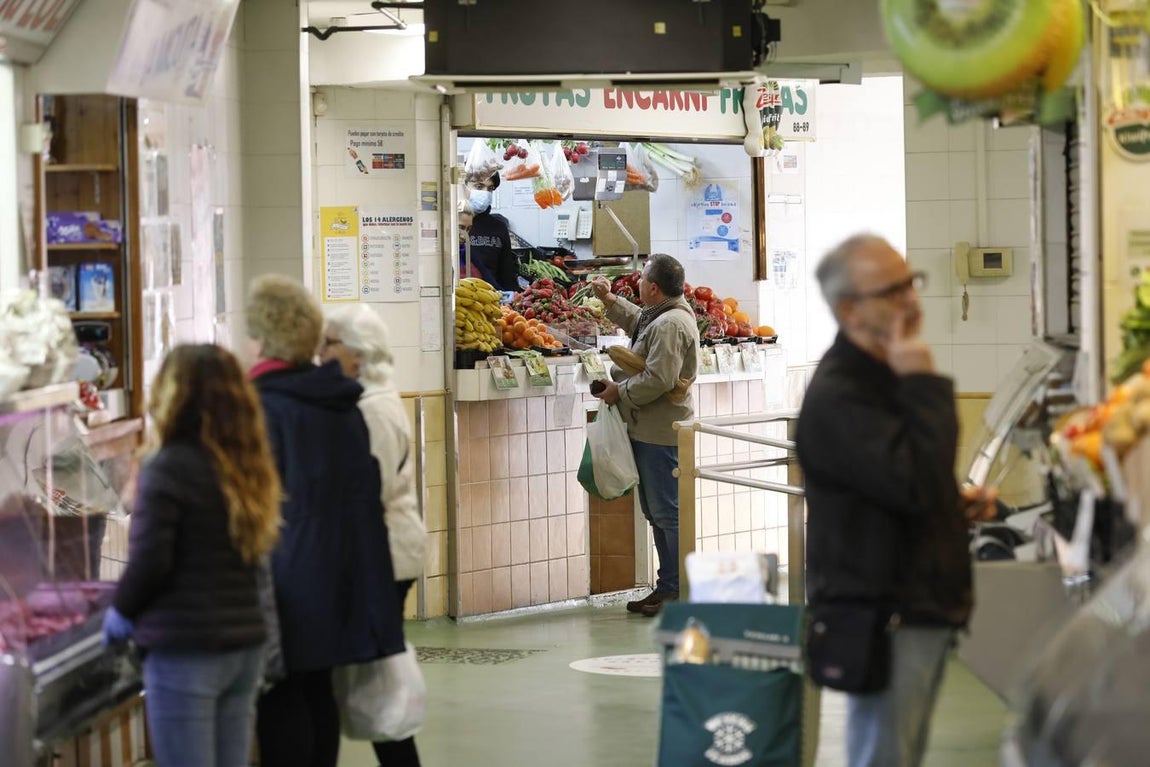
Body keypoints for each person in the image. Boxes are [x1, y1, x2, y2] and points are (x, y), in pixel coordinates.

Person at [795, 234, 996, 767]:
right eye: (892, 290)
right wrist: (925, 380)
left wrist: (953, 503)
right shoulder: (844, 392)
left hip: (911, 602)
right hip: (885, 612)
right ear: (849, 310)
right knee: (885, 756)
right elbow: (912, 484)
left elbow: (899, 482)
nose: (911, 300)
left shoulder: (877, 377)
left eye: (911, 282)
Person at [245, 275, 406, 767]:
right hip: (342, 571)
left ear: (261, 335)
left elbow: (254, 502)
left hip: (286, 576)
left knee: (281, 698)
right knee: (318, 692)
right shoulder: (340, 401)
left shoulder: (261, 405)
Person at [102, 344, 282, 767]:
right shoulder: (246, 464)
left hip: (186, 648)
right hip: (244, 647)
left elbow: (151, 560)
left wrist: (121, 612)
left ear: (171, 395)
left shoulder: (166, 465)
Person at [321, 304, 428, 767]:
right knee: (373, 679)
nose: (320, 352)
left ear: (356, 355)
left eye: (329, 343)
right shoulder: (363, 400)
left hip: (386, 556)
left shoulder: (374, 409)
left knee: (381, 683)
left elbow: (370, 488)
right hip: (375, 552)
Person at [590, 254, 699, 617]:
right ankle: (667, 586)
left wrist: (619, 392)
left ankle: (679, 589)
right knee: (656, 512)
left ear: (653, 287)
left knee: (667, 513)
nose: (637, 283)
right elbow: (640, 323)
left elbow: (659, 379)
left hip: (661, 432)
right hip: (649, 429)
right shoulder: (662, 315)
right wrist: (609, 300)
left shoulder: (671, 324)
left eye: (642, 279)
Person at [466, 171, 519, 291]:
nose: (485, 193)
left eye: (490, 188)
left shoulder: (498, 227)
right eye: (479, 187)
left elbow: (507, 272)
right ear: (463, 186)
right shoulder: (451, 225)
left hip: (491, 300)